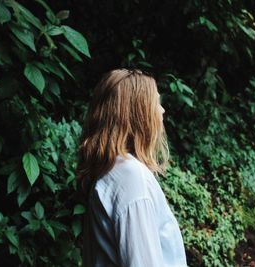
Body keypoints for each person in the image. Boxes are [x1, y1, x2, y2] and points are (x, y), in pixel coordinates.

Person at [75, 68, 188, 267]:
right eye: (156, 103)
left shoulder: (112, 172)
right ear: (139, 113)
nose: (162, 110)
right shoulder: (131, 179)